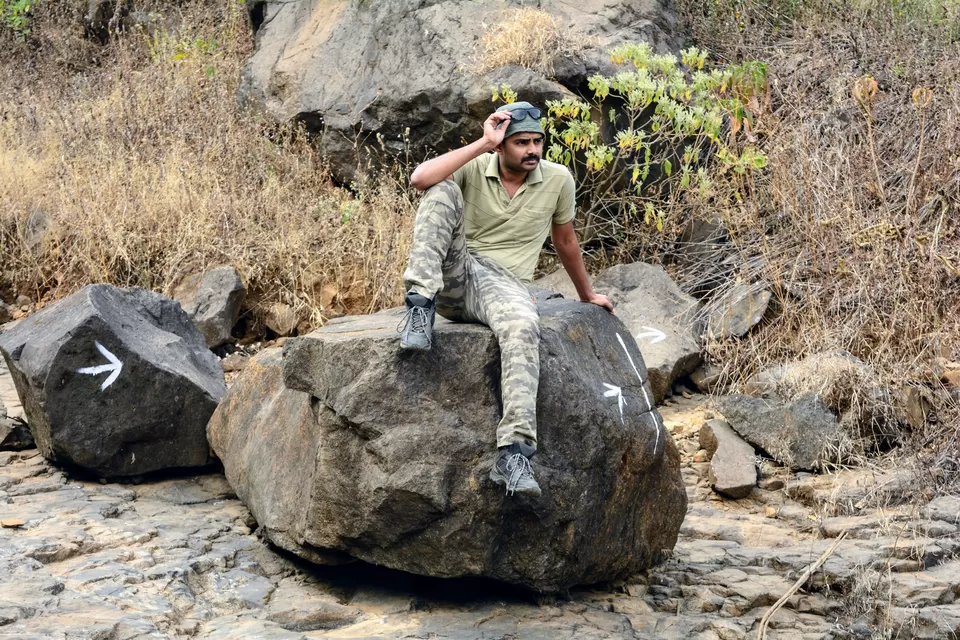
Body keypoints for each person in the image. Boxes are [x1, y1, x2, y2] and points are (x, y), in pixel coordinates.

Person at [399, 100, 614, 498]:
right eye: (521, 143)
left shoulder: (558, 180)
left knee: (522, 325)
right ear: (501, 146)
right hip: (456, 274)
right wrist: (482, 142)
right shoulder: (478, 162)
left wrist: (587, 294)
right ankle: (418, 308)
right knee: (439, 189)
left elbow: (564, 240)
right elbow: (419, 178)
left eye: (538, 142)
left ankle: (513, 455)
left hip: (503, 287)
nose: (532, 150)